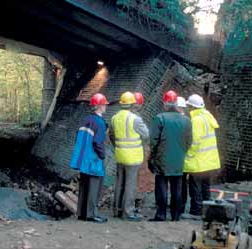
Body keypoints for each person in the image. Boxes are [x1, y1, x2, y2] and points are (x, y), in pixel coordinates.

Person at [149, 90, 192, 221]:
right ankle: (176, 215)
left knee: (161, 187)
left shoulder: (160, 118)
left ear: (165, 104)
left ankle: (161, 214)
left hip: (162, 159)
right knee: (177, 188)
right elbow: (189, 141)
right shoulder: (186, 121)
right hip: (179, 159)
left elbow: (153, 141)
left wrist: (152, 157)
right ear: (176, 103)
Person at [70, 93, 109, 223]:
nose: (105, 107)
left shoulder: (85, 120)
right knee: (94, 187)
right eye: (104, 104)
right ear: (99, 106)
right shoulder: (100, 123)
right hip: (93, 159)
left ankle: (81, 213)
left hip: (83, 159)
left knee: (84, 185)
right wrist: (102, 155)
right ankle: (91, 215)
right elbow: (98, 142)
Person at [110, 91, 149, 221]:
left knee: (119, 183)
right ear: (133, 104)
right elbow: (146, 135)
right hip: (133, 157)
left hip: (120, 155)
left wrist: (119, 146)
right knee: (130, 185)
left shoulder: (114, 118)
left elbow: (111, 135)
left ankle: (117, 210)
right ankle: (128, 212)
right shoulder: (135, 119)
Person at [181, 94, 221, 219]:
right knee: (205, 187)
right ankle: (207, 210)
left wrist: (188, 155)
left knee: (195, 187)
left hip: (198, 161)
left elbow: (195, 141)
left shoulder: (196, 120)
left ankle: (196, 211)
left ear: (192, 107)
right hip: (209, 161)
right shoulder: (207, 116)